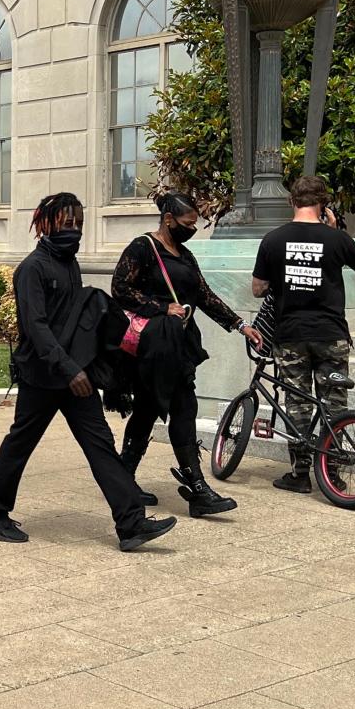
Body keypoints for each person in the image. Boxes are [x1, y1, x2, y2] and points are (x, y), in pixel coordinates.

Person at [0, 193, 177, 551]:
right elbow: (36, 328)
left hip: (75, 376)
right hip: (43, 375)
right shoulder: (32, 269)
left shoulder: (69, 264)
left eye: (79, 224)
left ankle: (131, 525)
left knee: (100, 445)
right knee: (20, 444)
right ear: (47, 224)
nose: (75, 230)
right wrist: (68, 368)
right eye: (68, 223)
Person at [112, 192, 261, 517]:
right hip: (152, 347)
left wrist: (239, 325)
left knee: (168, 408)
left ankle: (137, 480)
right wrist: (162, 307)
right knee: (163, 408)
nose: (193, 228)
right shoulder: (143, 247)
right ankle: (191, 488)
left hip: (178, 347)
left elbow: (204, 295)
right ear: (168, 220)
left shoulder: (185, 255)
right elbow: (120, 287)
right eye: (187, 223)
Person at [252, 176, 355, 493]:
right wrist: (334, 235)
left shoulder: (273, 240)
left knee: (298, 404)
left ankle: (300, 474)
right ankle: (331, 473)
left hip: (290, 334)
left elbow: (257, 288)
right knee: (334, 402)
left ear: (292, 201)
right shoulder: (336, 239)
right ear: (323, 204)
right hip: (331, 334)